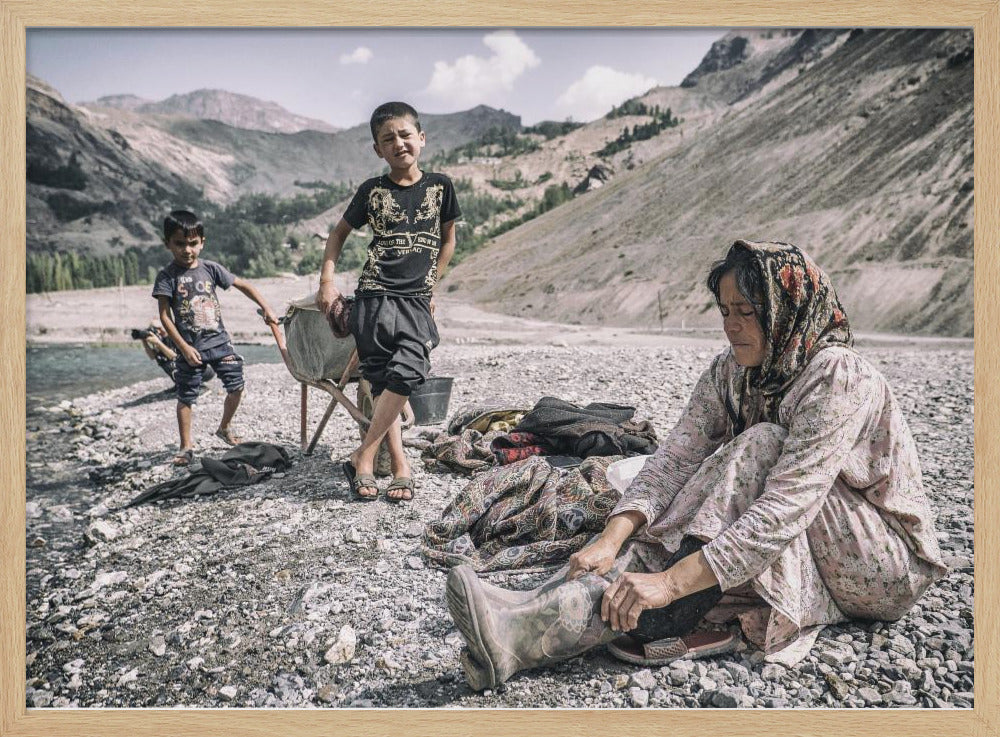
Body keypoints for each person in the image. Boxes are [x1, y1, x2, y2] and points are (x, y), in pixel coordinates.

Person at [445, 240, 947, 690]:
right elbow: (676, 457)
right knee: (676, 512)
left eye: (747, 311)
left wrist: (669, 583)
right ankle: (525, 627)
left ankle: (665, 615)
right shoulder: (734, 371)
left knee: (757, 448)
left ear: (786, 312)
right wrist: (611, 537)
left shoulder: (837, 375)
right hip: (808, 532)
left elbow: (785, 508)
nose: (731, 325)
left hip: (881, 565)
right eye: (725, 310)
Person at [316, 101, 461, 502]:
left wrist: (431, 286)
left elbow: (448, 240)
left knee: (411, 367)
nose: (398, 144)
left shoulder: (440, 186)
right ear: (377, 150)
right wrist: (327, 282)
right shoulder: (372, 191)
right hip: (375, 296)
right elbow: (337, 235)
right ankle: (399, 465)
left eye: (405, 135)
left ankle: (362, 454)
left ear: (421, 139)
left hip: (414, 299)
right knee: (383, 383)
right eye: (387, 139)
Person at [152, 210, 279, 466]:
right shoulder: (167, 277)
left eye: (193, 243)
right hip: (191, 349)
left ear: (202, 242)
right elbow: (165, 317)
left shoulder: (210, 269)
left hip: (219, 342)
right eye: (179, 243)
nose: (187, 250)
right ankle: (186, 446)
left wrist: (267, 307)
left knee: (236, 385)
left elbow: (244, 285)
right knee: (186, 396)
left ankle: (224, 427)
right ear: (167, 243)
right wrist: (184, 347)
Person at [132, 321, 216, 387]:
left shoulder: (174, 338)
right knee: (164, 361)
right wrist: (144, 340)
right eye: (154, 329)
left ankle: (197, 386)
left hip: (205, 371)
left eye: (159, 328)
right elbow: (152, 356)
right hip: (191, 373)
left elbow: (174, 356)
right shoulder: (160, 340)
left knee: (174, 363)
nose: (158, 331)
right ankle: (179, 385)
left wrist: (158, 343)